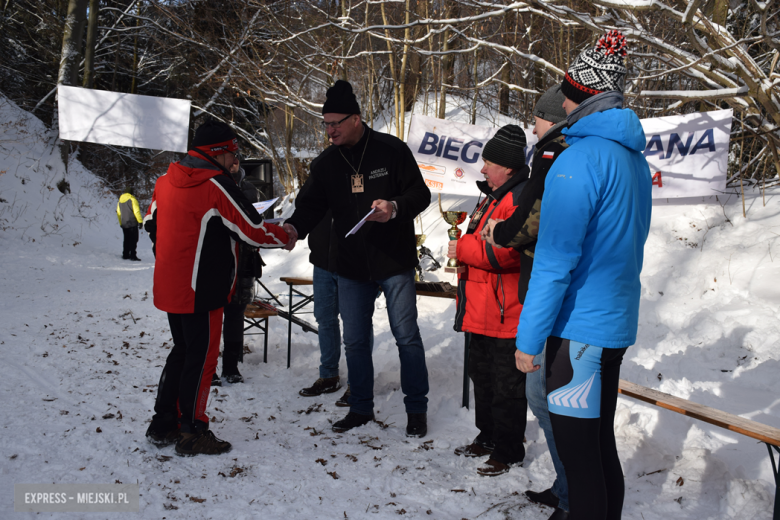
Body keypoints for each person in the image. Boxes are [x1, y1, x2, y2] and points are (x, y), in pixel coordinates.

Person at [514, 30, 652, 520]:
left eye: (566, 99)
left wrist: (528, 340)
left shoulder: (578, 161)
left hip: (578, 334)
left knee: (580, 461)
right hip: (612, 326)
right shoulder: (632, 158)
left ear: (576, 101)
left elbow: (554, 261)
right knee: (599, 452)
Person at [283, 80, 432, 437]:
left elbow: (420, 194)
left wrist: (394, 207)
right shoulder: (325, 164)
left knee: (406, 336)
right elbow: (309, 207)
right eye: (326, 124)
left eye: (336, 123)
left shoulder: (390, 150)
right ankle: (361, 407)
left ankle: (416, 409)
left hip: (393, 260)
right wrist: (291, 228)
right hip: (350, 265)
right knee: (355, 341)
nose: (330, 130)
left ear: (356, 118)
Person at [143, 119, 291, 456]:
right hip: (202, 289)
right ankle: (193, 431)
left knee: (182, 352)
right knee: (203, 359)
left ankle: (164, 421)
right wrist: (286, 236)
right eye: (233, 153)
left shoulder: (164, 182)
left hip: (171, 284)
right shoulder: (215, 185)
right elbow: (253, 229)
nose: (235, 160)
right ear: (217, 153)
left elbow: (150, 222)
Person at [481, 85, 570, 518]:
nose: (533, 128)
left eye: (536, 119)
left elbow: (523, 227)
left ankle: (574, 494)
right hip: (540, 296)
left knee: (544, 396)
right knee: (541, 397)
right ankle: (567, 486)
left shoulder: (555, 160)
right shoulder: (550, 159)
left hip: (548, 301)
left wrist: (494, 235)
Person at [448, 125, 530, 477]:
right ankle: (488, 436)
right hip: (481, 309)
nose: (482, 169)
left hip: (506, 313)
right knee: (482, 379)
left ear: (508, 167)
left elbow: (508, 253)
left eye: (489, 162)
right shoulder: (492, 196)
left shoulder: (519, 197)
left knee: (506, 387)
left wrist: (462, 249)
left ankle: (509, 449)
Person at [212, 157, 262, 386]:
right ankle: (208, 368)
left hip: (244, 260)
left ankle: (231, 367)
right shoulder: (211, 184)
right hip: (216, 260)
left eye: (235, 161)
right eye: (228, 161)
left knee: (235, 315)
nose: (233, 165)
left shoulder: (248, 187)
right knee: (210, 316)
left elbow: (255, 216)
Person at [116, 190, 143, 261]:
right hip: (132, 222)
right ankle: (133, 255)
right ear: (131, 193)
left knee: (126, 239)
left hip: (124, 223)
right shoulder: (132, 200)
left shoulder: (120, 201)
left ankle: (125, 254)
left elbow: (118, 213)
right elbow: (136, 211)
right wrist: (140, 221)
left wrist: (120, 222)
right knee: (134, 239)